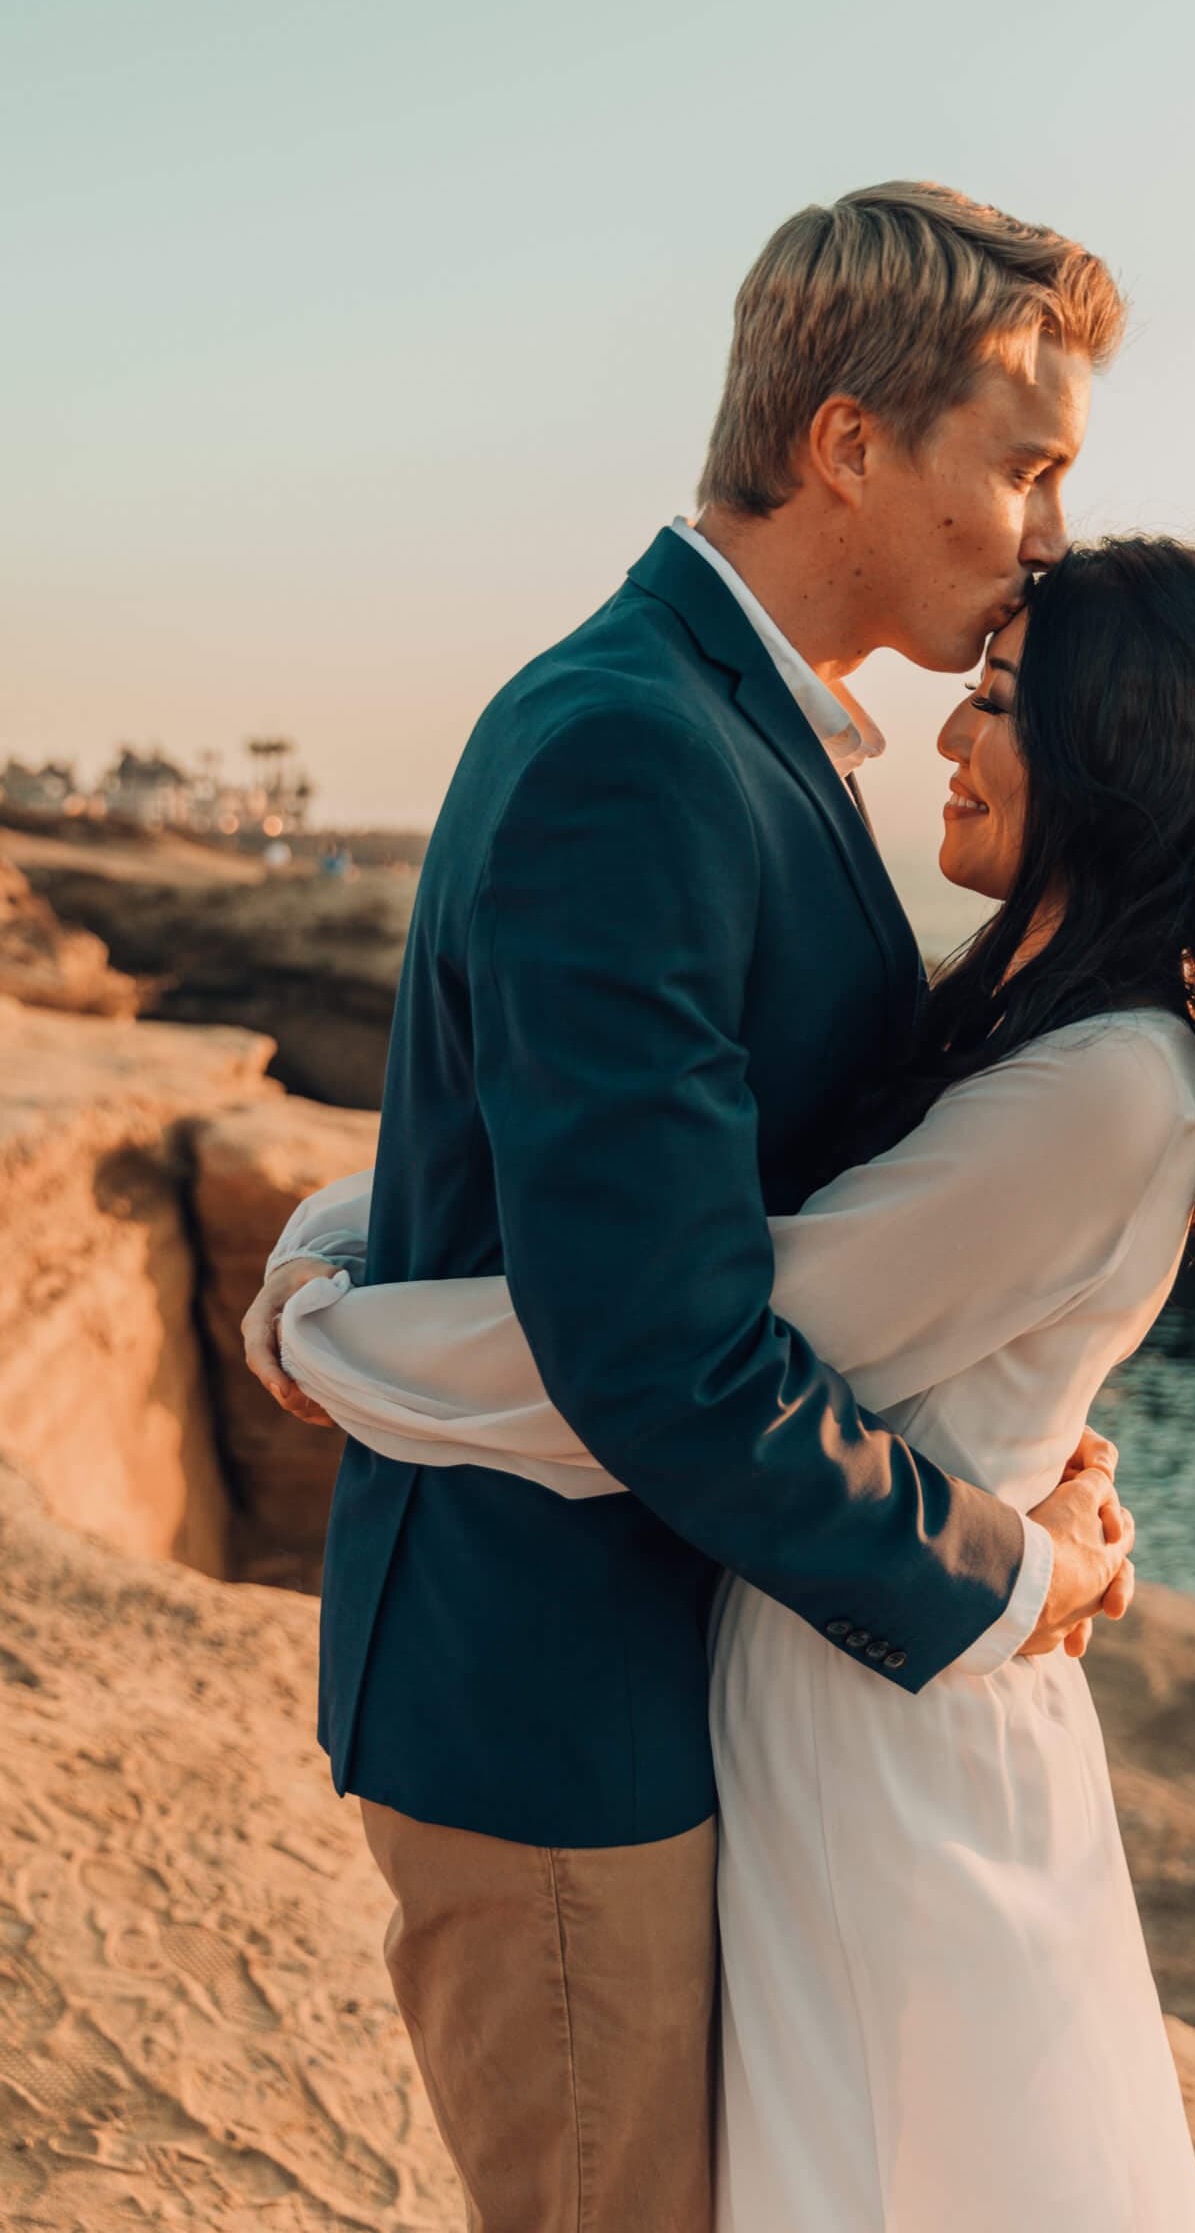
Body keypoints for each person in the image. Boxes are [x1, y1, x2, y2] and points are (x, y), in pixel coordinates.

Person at [252, 531, 1195, 2229]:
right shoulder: (1032, 1020)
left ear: (1129, 749)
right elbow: (682, 1214)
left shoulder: (1108, 1081)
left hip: (885, 1742)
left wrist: (342, 1338)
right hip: (825, 1696)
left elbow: (682, 1336)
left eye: (1004, 703)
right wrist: (353, 1233)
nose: (948, 732)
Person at [242, 183, 1143, 2233]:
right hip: (552, 1700)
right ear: (847, 440)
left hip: (655, 1675)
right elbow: (651, 1330)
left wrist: (995, 1406)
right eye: (1025, 463)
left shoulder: (752, 739)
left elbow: (636, 1168)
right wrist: (995, 1573)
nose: (1046, 532)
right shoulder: (632, 748)